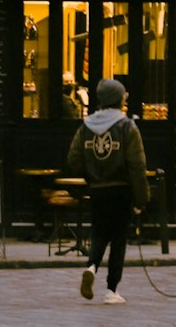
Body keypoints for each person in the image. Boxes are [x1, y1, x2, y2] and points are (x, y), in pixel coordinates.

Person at [66, 77, 148, 305]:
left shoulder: (86, 126)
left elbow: (73, 158)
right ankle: (112, 290)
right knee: (119, 239)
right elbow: (137, 164)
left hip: (98, 190)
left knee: (99, 233)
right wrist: (141, 198)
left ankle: (91, 267)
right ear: (117, 99)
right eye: (123, 96)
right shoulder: (127, 126)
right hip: (121, 190)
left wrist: (91, 176)